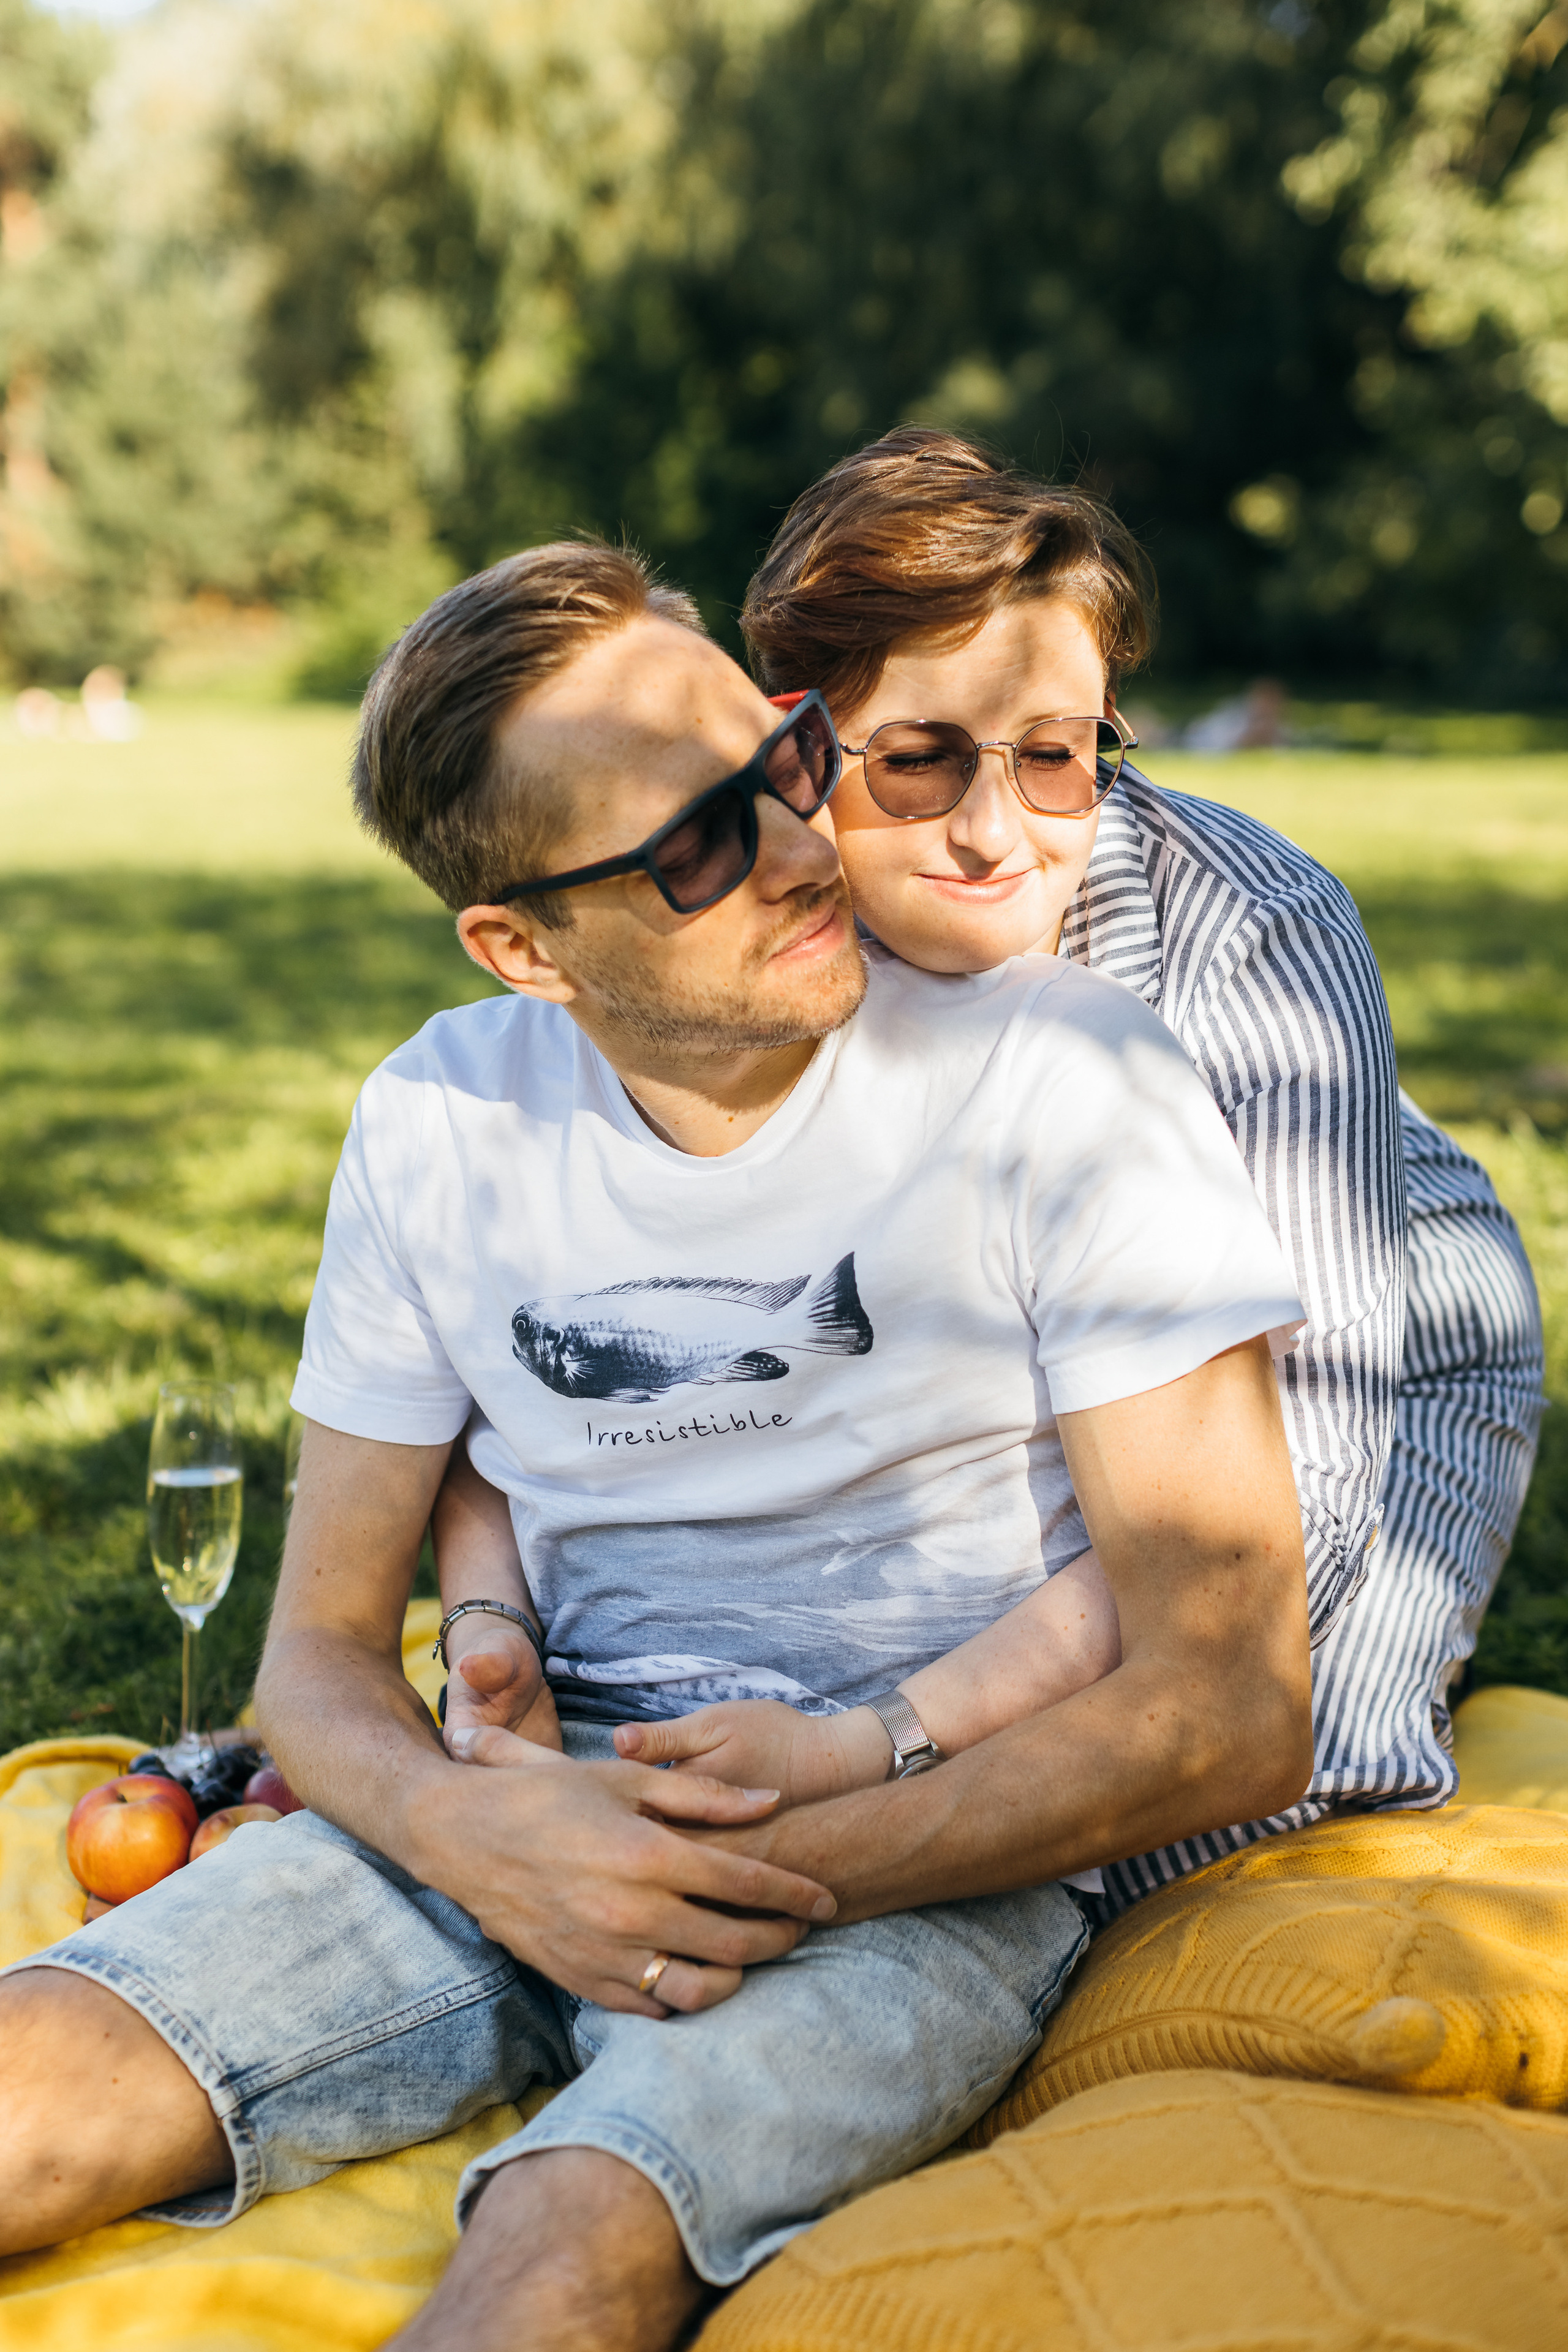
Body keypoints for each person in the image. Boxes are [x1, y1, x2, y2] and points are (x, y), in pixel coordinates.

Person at [0, 539, 1313, 2352]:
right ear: (522, 947)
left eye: (784, 760)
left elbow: (1232, 1704)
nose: (798, 845)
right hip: (529, 1811)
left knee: (565, 2248)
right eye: (696, 843)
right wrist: (490, 1836)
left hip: (911, 1862)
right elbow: (309, 1662)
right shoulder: (441, 1120)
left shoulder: (1067, 1082)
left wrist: (746, 1870)